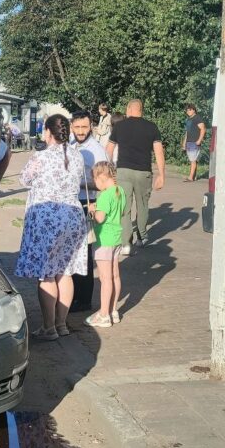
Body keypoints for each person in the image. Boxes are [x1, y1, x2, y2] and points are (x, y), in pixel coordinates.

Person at [15, 114, 87, 341]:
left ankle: (48, 327)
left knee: (46, 274)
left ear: (48, 132)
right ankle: (61, 324)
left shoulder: (41, 157)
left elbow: (24, 180)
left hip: (47, 219)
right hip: (73, 217)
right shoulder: (77, 155)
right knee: (65, 271)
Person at [106, 99, 165, 256]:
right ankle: (142, 237)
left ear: (129, 109)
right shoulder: (152, 127)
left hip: (123, 170)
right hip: (143, 172)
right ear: (141, 110)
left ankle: (126, 243)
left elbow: (109, 149)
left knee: (124, 207)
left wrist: (109, 170)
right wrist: (161, 174)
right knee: (142, 205)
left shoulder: (119, 126)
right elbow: (159, 151)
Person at [69, 110, 108, 313]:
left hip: (88, 203)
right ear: (71, 127)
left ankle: (83, 300)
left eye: (85, 127)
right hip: (73, 202)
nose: (81, 131)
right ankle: (74, 294)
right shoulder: (71, 144)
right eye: (78, 127)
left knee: (84, 252)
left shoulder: (97, 150)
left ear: (91, 127)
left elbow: (104, 182)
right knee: (74, 251)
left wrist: (80, 181)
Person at [85, 162, 126, 328]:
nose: (95, 184)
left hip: (104, 240)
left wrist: (92, 210)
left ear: (101, 177)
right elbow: (122, 212)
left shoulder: (105, 196)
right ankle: (113, 310)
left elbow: (100, 218)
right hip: (116, 238)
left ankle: (103, 315)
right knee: (115, 276)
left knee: (105, 278)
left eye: (95, 179)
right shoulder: (120, 191)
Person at [181, 103, 206, 182]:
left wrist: (199, 140)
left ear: (194, 110)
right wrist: (184, 142)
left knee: (193, 160)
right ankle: (193, 176)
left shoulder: (197, 118)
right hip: (189, 142)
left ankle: (191, 177)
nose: (188, 111)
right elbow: (187, 132)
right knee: (192, 159)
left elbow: (203, 129)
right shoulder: (188, 120)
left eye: (190, 110)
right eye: (187, 110)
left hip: (195, 142)